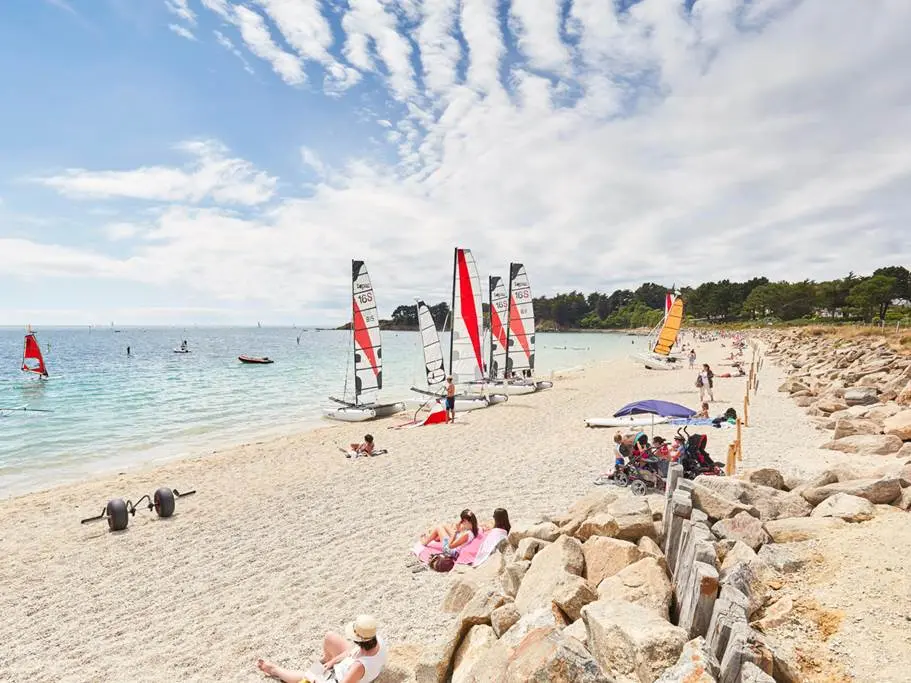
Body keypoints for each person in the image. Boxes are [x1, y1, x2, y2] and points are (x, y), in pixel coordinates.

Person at [257, 614, 387, 683]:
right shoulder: (377, 640)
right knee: (330, 637)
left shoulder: (359, 666)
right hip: (346, 667)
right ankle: (326, 660)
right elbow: (351, 652)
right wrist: (332, 661)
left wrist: (316, 680)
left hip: (337, 678)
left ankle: (275, 670)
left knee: (308, 674)